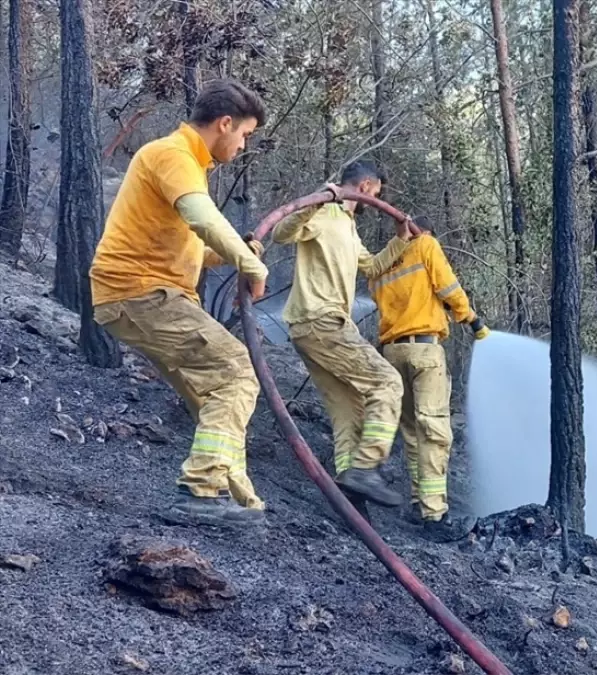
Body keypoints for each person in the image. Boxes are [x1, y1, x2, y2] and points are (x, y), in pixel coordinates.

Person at [90, 79, 271, 527]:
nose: (243, 143)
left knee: (216, 392)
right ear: (225, 123)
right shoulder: (174, 155)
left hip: (142, 293)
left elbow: (191, 245)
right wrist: (250, 263)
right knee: (236, 371)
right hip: (140, 291)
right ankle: (201, 492)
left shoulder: (184, 164)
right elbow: (202, 218)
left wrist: (232, 252)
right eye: (245, 134)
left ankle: (235, 499)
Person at [272, 160, 416, 509]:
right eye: (378, 192)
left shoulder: (349, 227)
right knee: (386, 382)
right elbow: (280, 234)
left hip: (318, 327)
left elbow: (371, 266)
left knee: (348, 411)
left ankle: (350, 504)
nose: (377, 199)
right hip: (320, 321)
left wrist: (401, 240)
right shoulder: (324, 213)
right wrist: (319, 200)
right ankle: (366, 468)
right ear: (366, 186)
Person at [369, 216, 489, 542]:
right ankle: (434, 514)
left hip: (391, 354)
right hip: (424, 351)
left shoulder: (382, 265)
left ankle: (417, 502)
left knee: (410, 429)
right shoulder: (426, 245)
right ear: (425, 232)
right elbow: (448, 287)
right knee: (434, 430)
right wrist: (471, 319)